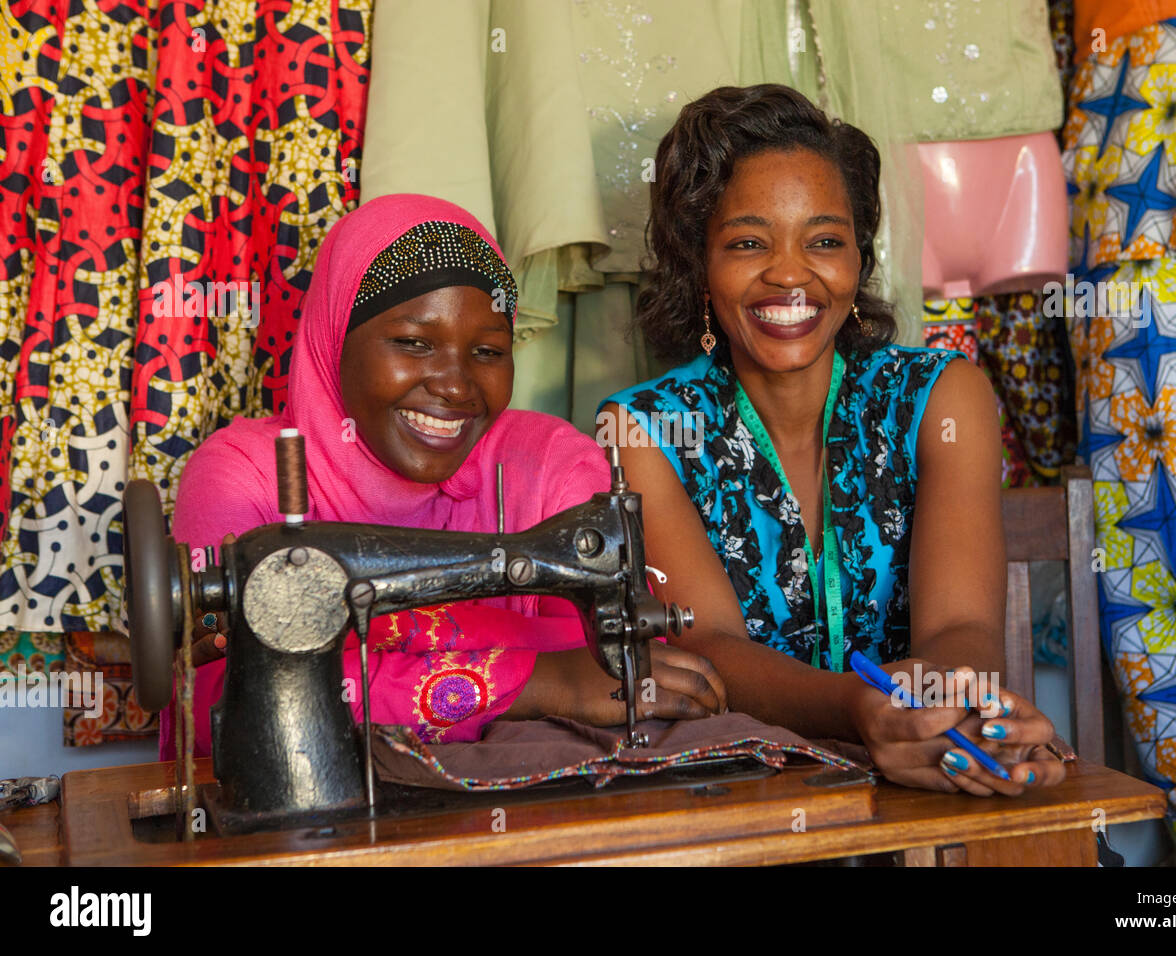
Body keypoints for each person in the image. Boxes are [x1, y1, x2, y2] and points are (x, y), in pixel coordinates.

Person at [600, 85, 1066, 795]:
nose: (791, 274)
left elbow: (964, 623)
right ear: (699, 264)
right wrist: (858, 707)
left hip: (921, 782)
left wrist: (944, 712)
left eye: (823, 241)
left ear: (859, 258)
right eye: (749, 243)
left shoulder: (943, 395)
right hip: (739, 802)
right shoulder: (643, 431)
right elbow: (709, 649)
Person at [160, 193, 725, 759]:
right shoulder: (243, 475)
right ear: (335, 339)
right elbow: (225, 703)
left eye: (487, 350)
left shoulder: (548, 461)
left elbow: (612, 655)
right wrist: (542, 681)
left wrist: (376, 655)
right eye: (413, 343)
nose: (456, 386)